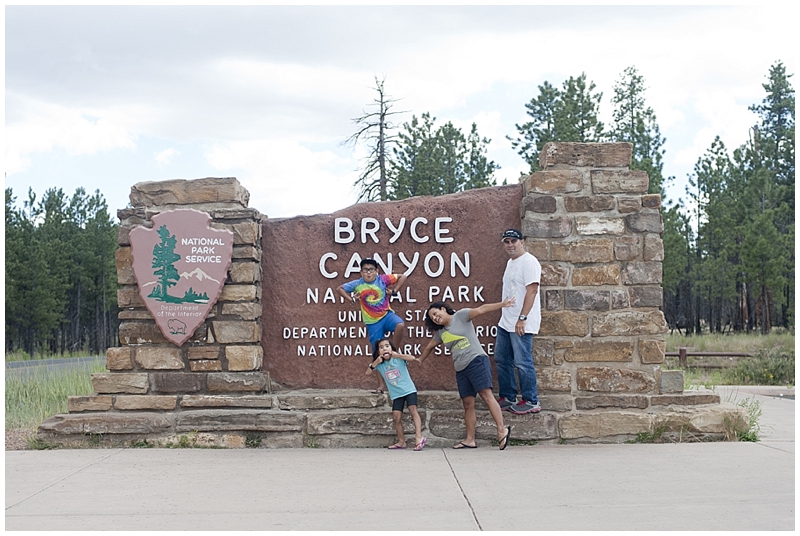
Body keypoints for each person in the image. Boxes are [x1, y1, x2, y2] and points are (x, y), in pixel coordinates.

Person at [419, 300, 513, 450]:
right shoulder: (441, 333)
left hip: (476, 361)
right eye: (432, 318)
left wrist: (502, 304)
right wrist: (420, 360)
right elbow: (430, 346)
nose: (435, 318)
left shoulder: (460, 316)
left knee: (486, 396)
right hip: (461, 369)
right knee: (468, 404)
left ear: (443, 309)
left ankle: (502, 430)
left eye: (436, 313)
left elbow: (482, 309)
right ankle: (470, 439)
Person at [337, 258, 407, 394]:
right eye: (365, 270)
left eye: (371, 270)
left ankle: (393, 351)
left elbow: (403, 276)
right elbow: (339, 289)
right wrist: (351, 299)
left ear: (376, 271)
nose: (368, 273)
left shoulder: (383, 279)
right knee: (377, 354)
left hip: (386, 315)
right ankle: (381, 386)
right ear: (361, 272)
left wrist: (394, 291)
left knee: (400, 325)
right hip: (372, 322)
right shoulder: (357, 284)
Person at [495, 228, 542, 415]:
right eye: (506, 241)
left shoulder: (530, 262)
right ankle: (508, 396)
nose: (510, 245)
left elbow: (532, 291)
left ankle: (531, 400)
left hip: (521, 321)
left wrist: (522, 318)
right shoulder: (510, 262)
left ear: (522, 241)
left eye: (513, 241)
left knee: (522, 362)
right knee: (502, 359)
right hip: (506, 320)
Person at [367, 338, 426, 451]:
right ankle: (401, 441)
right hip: (396, 394)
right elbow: (368, 372)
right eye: (381, 347)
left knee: (413, 409)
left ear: (391, 348)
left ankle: (419, 437)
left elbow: (412, 358)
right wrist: (376, 362)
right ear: (378, 352)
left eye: (387, 346)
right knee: (396, 417)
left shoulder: (398, 359)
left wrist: (398, 355)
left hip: (409, 390)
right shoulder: (380, 364)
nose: (385, 348)